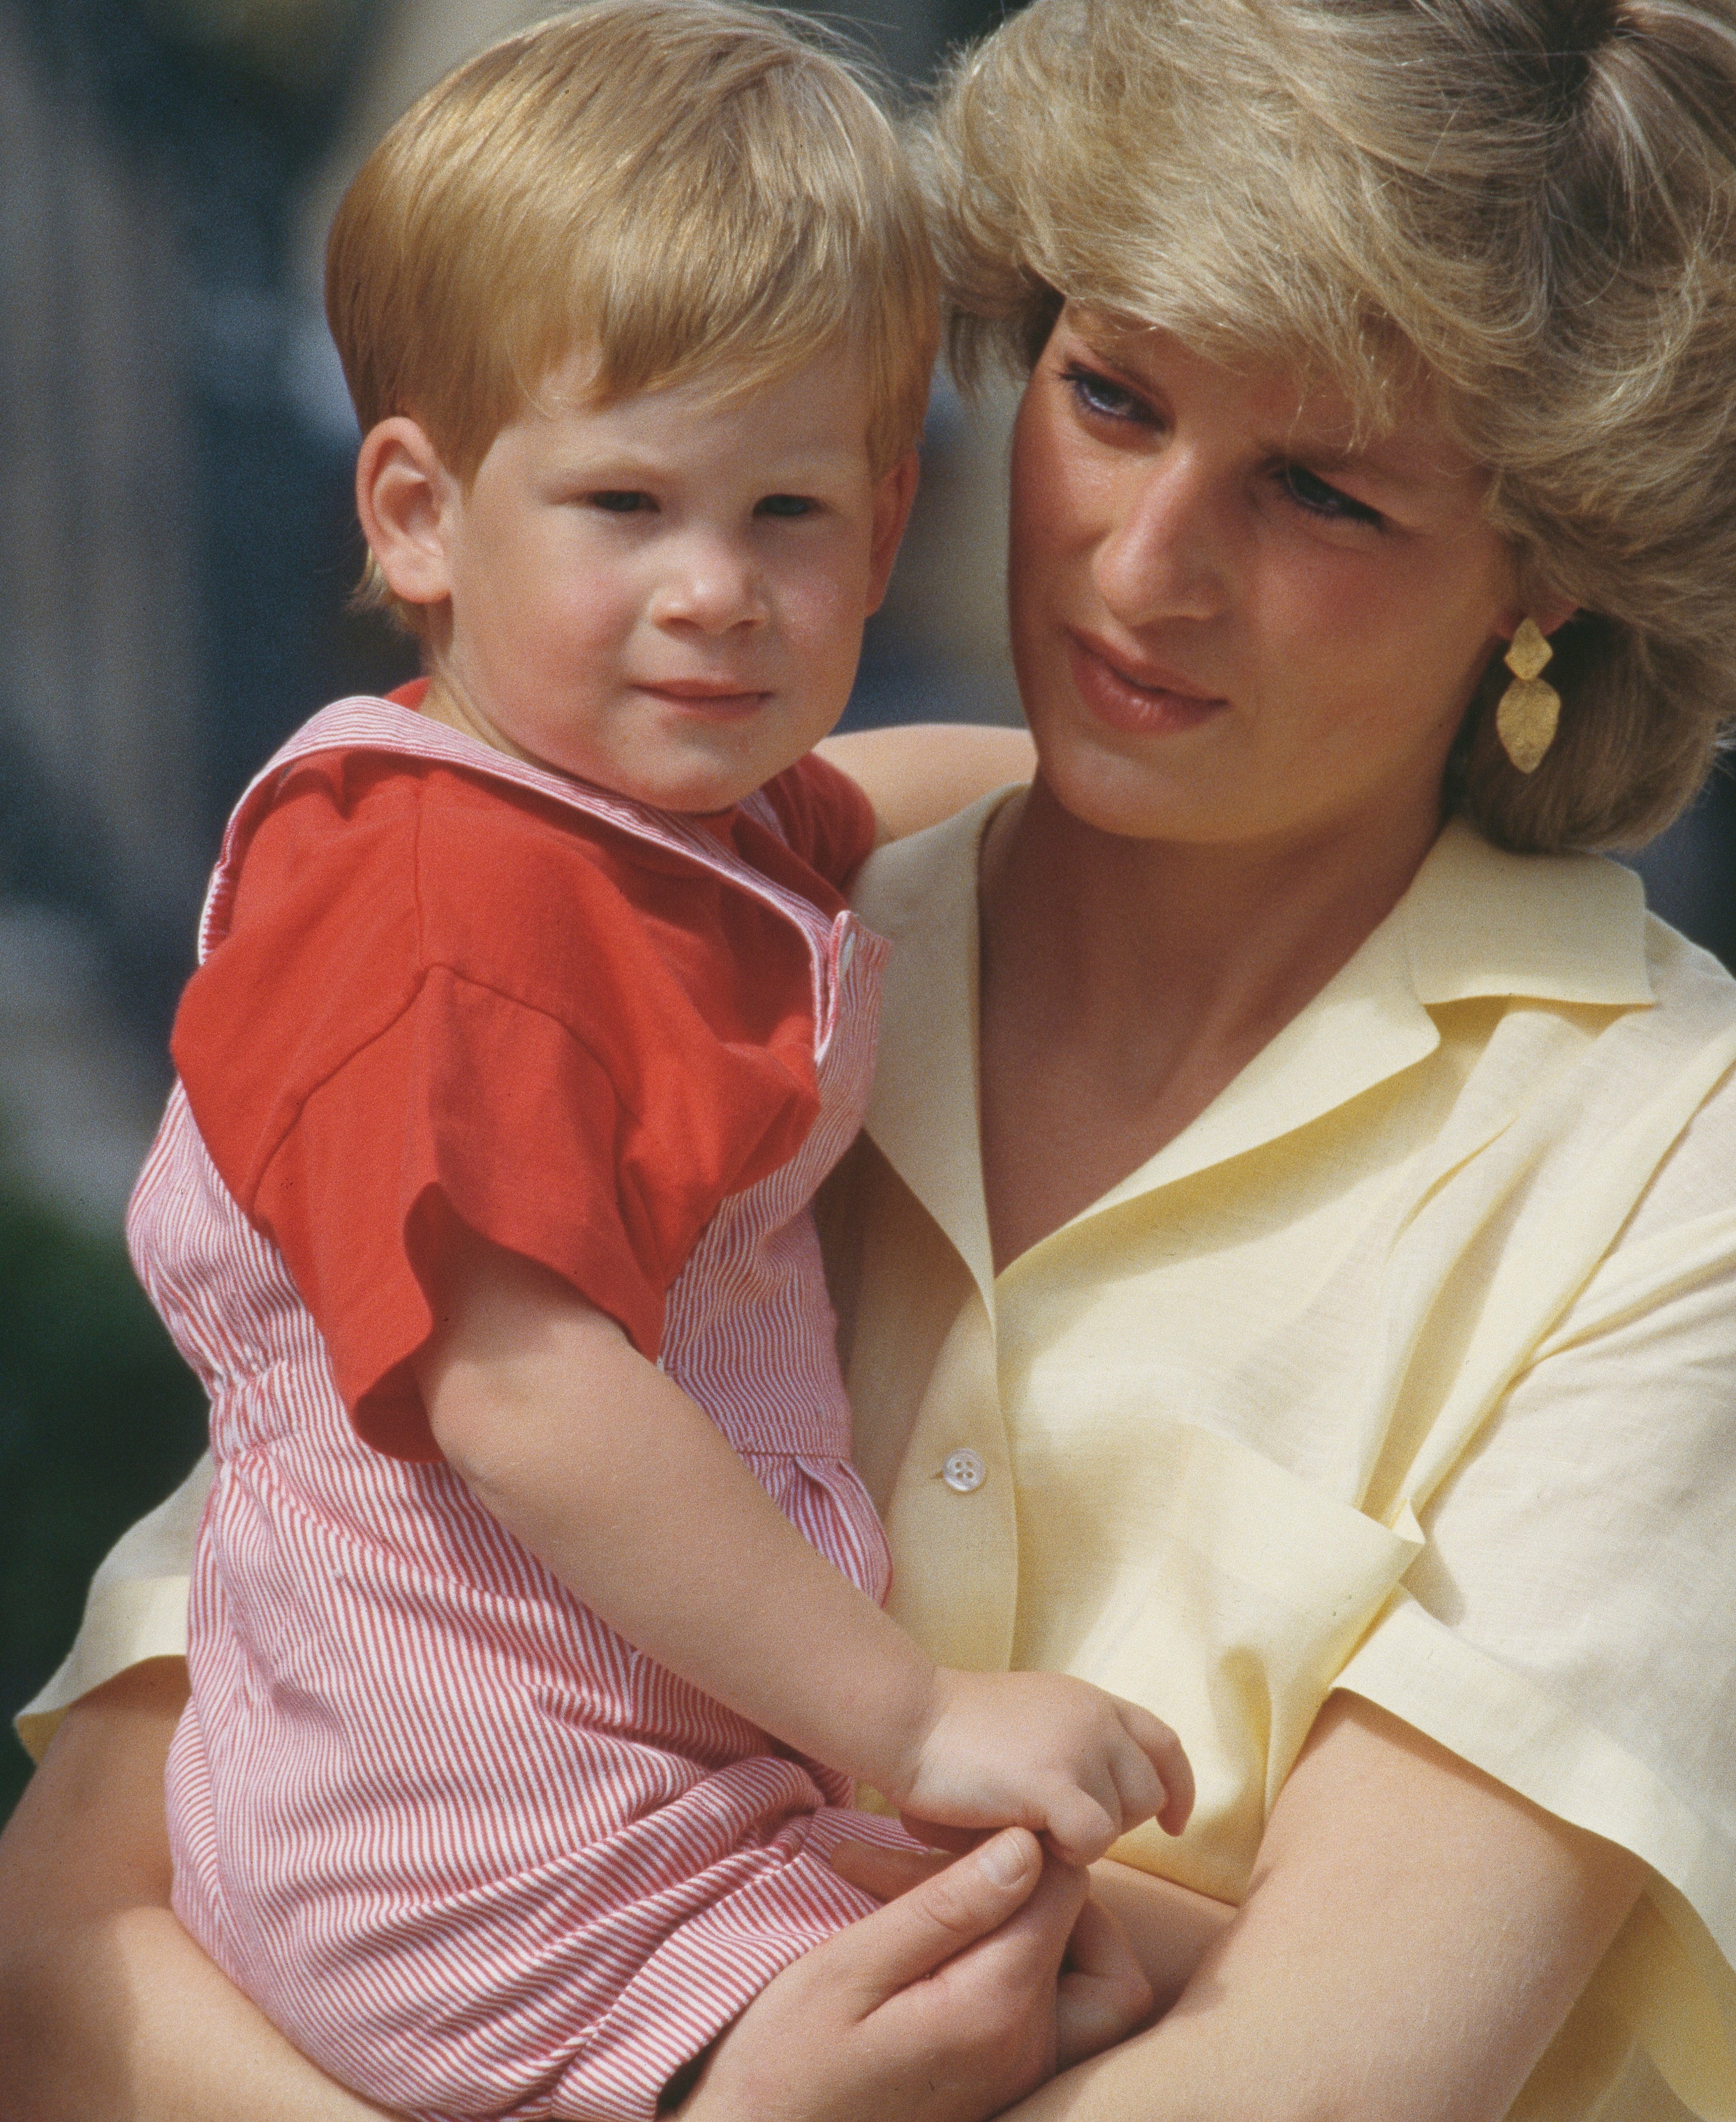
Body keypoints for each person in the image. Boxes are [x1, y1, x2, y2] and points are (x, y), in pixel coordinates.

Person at [0, 2, 1736, 2119]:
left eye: (1318, 491)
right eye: (1110, 397)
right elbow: (75, 1949)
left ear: (1559, 567)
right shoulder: (637, 912)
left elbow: (1307, 2091)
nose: (1142, 568)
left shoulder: (1711, 1200)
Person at [77, 7, 1189, 2118]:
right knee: (1075, 1989)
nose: (717, 594)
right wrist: (915, 1715)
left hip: (640, 1776)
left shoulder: (660, 820)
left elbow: (914, 802)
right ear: (416, 515)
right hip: (486, 1848)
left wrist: (1183, 815)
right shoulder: (428, 907)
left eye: (787, 512)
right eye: (624, 502)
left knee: (1164, 1962)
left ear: (881, 532)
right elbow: (524, 1389)